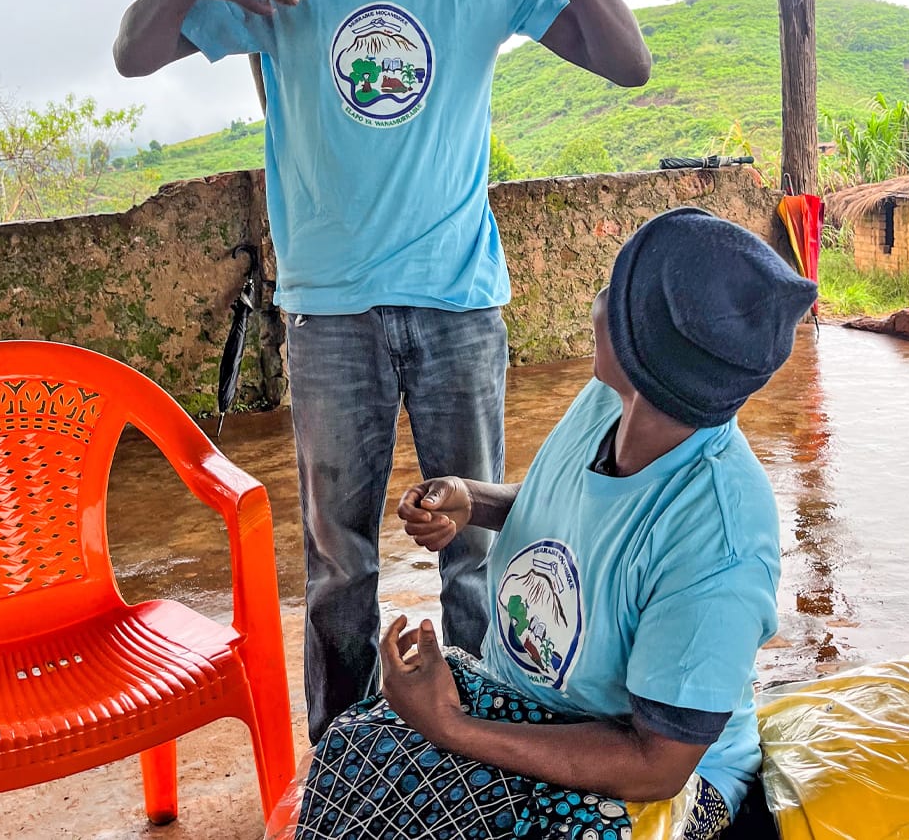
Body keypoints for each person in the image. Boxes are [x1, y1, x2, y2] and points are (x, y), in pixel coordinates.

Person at [112, 0, 650, 745]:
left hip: (459, 308)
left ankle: (490, 747)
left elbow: (628, 62)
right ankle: (345, 759)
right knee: (339, 566)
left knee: (482, 547)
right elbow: (131, 51)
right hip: (329, 315)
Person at [288, 209, 818, 840]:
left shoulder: (720, 537)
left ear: (646, 355)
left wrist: (450, 726)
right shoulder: (614, 403)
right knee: (350, 755)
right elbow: (580, 519)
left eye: (614, 297)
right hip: (539, 705)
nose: (596, 303)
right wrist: (473, 501)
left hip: (657, 775)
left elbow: (658, 764)